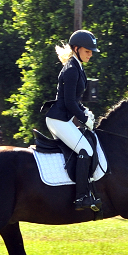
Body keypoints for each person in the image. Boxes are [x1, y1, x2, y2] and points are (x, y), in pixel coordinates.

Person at [45, 29, 101, 211]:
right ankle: (81, 197)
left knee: (86, 147)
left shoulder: (77, 66)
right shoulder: (71, 70)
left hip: (63, 118)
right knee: (85, 149)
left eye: (92, 51)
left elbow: (74, 101)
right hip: (58, 119)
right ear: (76, 49)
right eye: (88, 51)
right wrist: (84, 117)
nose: (91, 54)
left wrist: (86, 111)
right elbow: (69, 102)